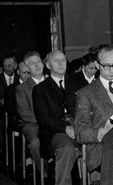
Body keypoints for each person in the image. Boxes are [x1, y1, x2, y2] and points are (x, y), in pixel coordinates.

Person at [74, 45, 113, 185]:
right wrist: (103, 130)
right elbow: (80, 132)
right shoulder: (85, 94)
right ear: (97, 65)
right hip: (102, 147)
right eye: (107, 66)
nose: (112, 70)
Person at [32, 50, 78, 185]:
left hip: (78, 126)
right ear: (48, 65)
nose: (60, 63)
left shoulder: (75, 84)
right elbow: (44, 119)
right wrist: (65, 128)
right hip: (54, 132)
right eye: (56, 60)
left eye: (63, 60)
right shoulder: (40, 89)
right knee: (67, 147)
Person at [16, 51, 45, 172]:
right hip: (33, 124)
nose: (37, 65)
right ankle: (44, 172)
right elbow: (23, 112)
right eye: (33, 64)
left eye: (39, 62)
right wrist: (44, 119)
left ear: (43, 64)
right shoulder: (22, 88)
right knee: (35, 143)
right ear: (27, 69)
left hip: (54, 122)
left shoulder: (52, 82)